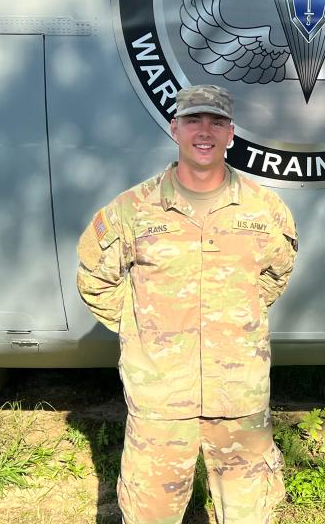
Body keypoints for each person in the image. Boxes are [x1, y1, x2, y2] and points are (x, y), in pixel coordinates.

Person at [76, 84, 298, 524]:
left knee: (250, 515)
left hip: (239, 396)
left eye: (216, 122)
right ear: (174, 128)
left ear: (231, 134)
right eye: (194, 120)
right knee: (150, 515)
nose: (204, 131)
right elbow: (95, 278)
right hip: (161, 398)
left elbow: (273, 276)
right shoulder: (133, 209)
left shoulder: (265, 210)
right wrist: (142, 328)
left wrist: (233, 323)